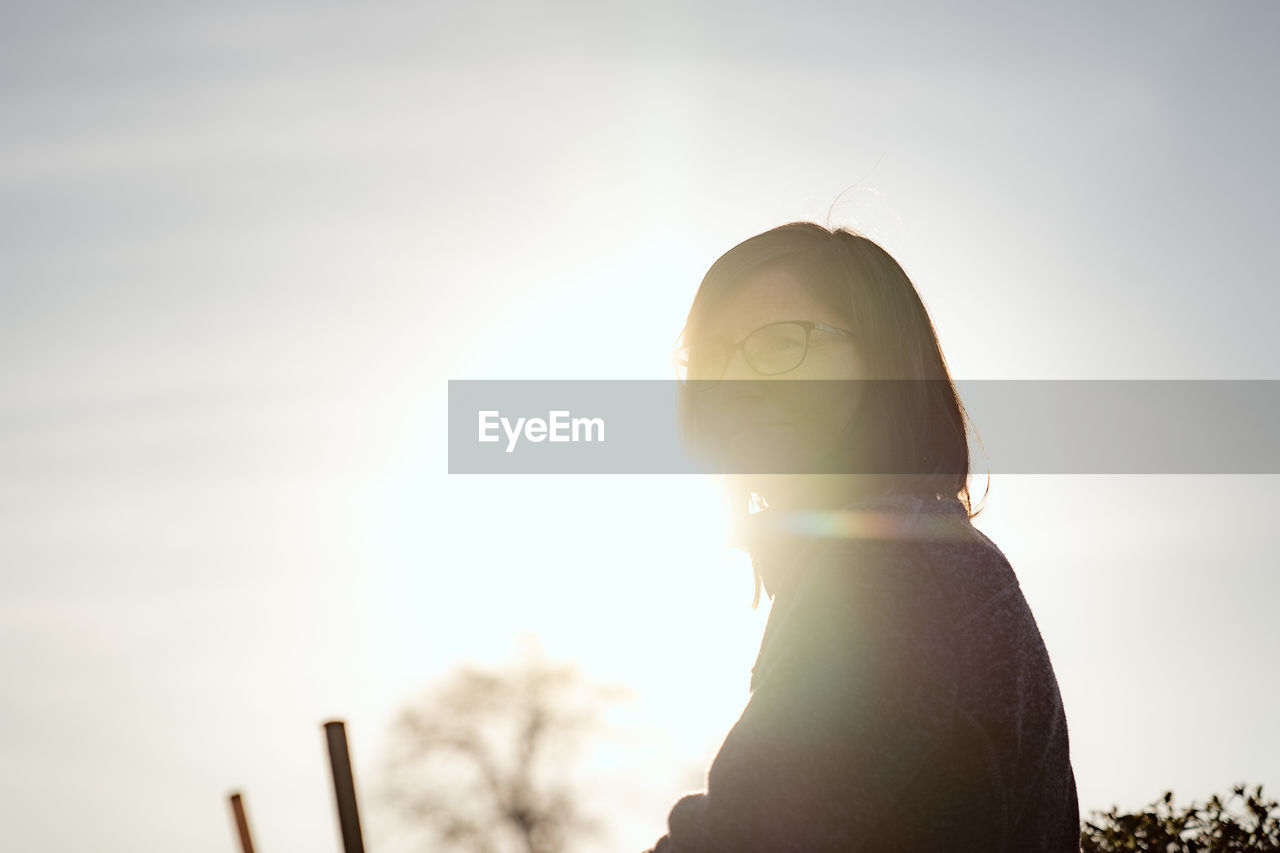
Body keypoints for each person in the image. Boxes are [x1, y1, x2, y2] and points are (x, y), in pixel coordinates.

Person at [642, 222, 1081, 852]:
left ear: (883, 364)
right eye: (713, 354)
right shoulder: (910, 551)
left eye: (779, 344)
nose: (735, 380)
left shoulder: (892, 565)